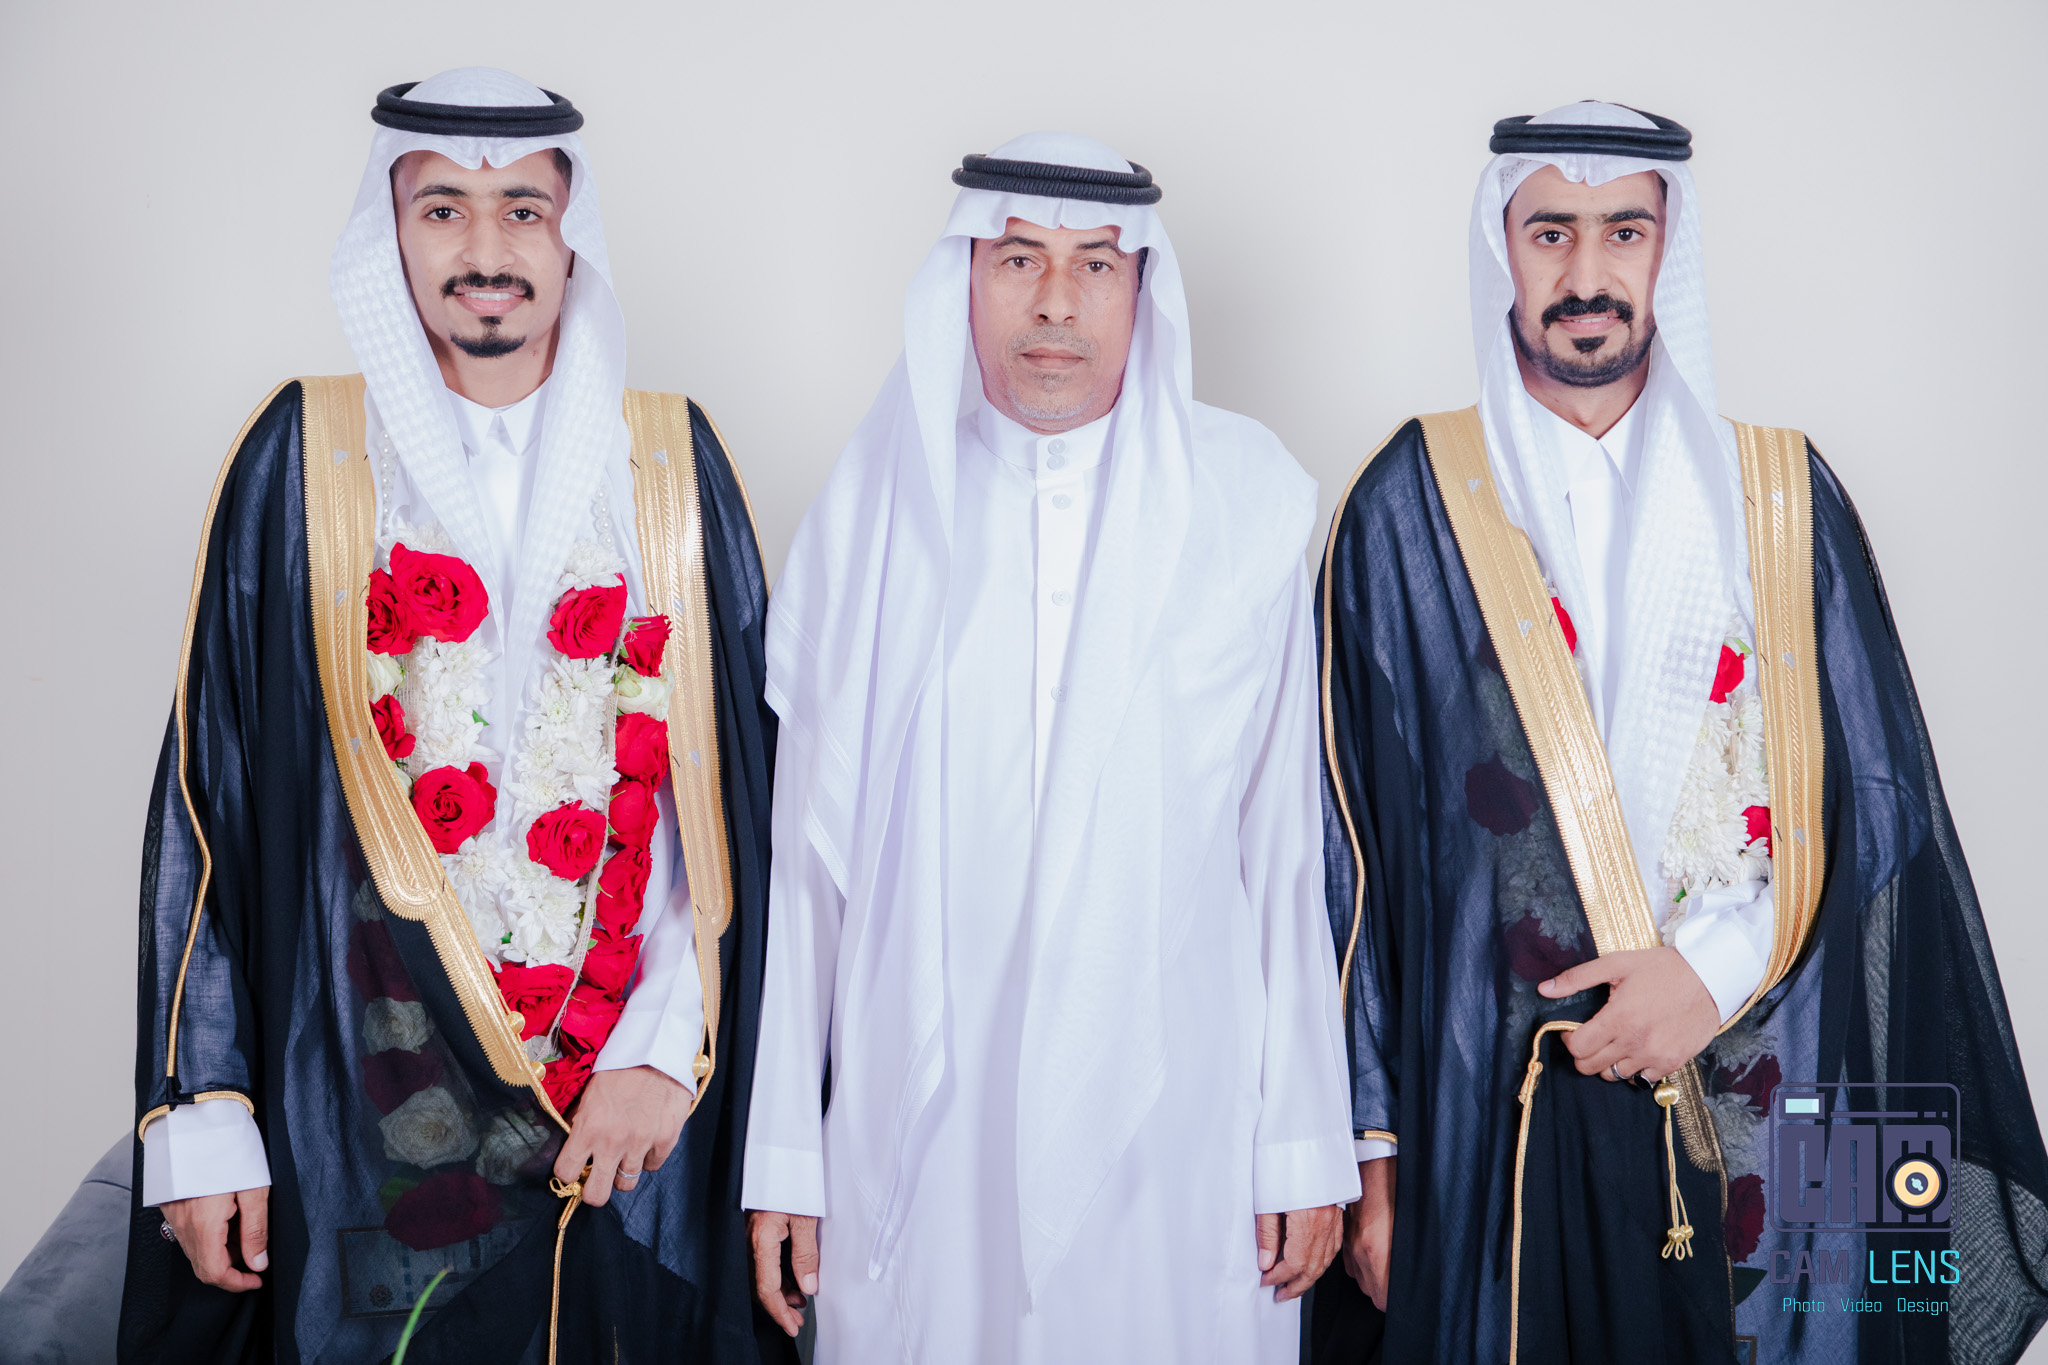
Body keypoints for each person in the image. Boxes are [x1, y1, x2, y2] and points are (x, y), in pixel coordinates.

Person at [1311, 100, 2048, 1364]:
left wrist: (1705, 973)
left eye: (1623, 232)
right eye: (1549, 233)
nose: (1585, 274)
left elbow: (1875, 806)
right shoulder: (1408, 503)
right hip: (1492, 1110)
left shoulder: (1779, 495)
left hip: (1769, 1071)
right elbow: (1348, 856)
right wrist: (1368, 1166)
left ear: (1668, 252)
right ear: (1500, 249)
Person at [119, 68, 785, 1364]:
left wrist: (664, 1052)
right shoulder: (301, 459)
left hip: (623, 1117)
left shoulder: (667, 465)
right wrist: (205, 1110)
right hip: (361, 1102)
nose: (487, 250)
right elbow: (213, 794)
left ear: (572, 232)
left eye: (523, 209)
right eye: (442, 211)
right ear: (391, 233)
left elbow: (726, 809)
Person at [741, 134, 1358, 1362]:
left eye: (1097, 266)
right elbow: (804, 878)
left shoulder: (1242, 504)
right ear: (965, 279)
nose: (1056, 304)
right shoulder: (873, 510)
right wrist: (785, 1155)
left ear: (1143, 292)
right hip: (922, 1116)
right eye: (1019, 258)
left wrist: (1300, 1140)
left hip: (1179, 1117)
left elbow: (1285, 853)